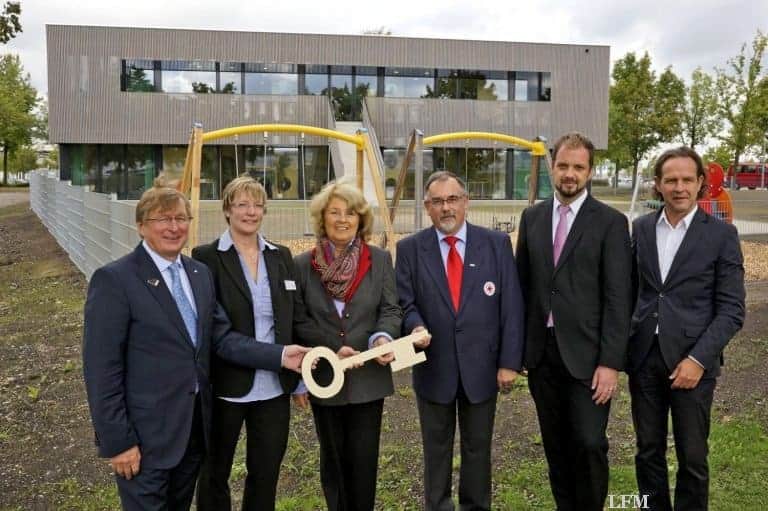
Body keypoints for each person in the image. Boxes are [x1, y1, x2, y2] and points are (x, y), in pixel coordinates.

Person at [82, 178, 309, 511]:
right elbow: (102, 368)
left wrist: (282, 355)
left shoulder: (197, 274)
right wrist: (118, 441)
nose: (173, 228)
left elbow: (221, 337)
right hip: (147, 437)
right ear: (141, 225)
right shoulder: (115, 279)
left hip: (192, 431)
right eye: (163, 219)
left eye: (180, 219)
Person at [515, 132, 633, 510]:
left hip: (588, 356)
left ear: (590, 171)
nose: (569, 174)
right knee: (556, 444)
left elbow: (619, 297)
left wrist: (611, 363)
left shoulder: (611, 223)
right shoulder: (531, 217)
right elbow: (522, 286)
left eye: (578, 167)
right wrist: (516, 349)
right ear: (552, 166)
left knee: (589, 442)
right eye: (563, 165)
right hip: (542, 355)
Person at [395, 170, 524, 511]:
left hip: (482, 369)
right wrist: (415, 326)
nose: (446, 208)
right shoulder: (409, 249)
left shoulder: (495, 244)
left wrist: (509, 362)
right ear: (427, 207)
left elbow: (511, 305)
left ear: (466, 202)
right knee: (435, 450)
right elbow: (404, 304)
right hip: (434, 368)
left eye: (452, 199)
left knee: (477, 449)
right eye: (437, 202)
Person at [629, 147, 745, 510]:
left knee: (692, 456)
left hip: (693, 363)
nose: (678, 187)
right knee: (648, 451)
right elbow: (634, 291)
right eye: (670, 180)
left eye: (686, 179)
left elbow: (732, 309)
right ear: (658, 186)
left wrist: (698, 359)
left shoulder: (722, 236)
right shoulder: (641, 229)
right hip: (645, 358)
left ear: (700, 184)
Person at [192, 176, 309, 510]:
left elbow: (294, 320)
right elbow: (215, 333)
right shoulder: (206, 259)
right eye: (242, 204)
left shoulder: (281, 256)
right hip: (226, 386)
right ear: (227, 210)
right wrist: (281, 356)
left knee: (265, 473)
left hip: (275, 388)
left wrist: (301, 378)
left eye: (257, 204)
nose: (251, 211)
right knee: (214, 473)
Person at [292, 177, 401, 511]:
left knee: (364, 463)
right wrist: (327, 349)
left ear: (360, 219)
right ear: (322, 218)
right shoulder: (302, 266)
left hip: (368, 378)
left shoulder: (379, 260)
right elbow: (300, 321)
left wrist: (382, 337)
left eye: (350, 213)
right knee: (333, 463)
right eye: (335, 212)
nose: (342, 219)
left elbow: (391, 309)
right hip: (326, 377)